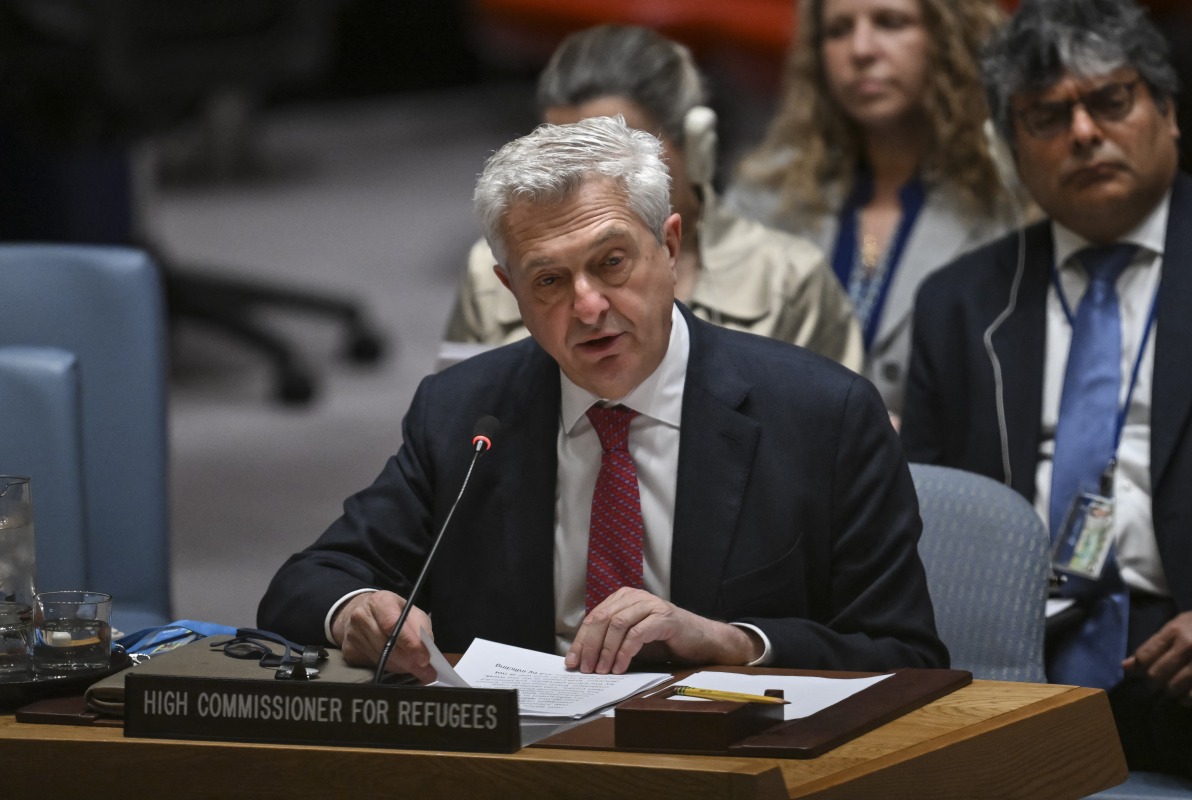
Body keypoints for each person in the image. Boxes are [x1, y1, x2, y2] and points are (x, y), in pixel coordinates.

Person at [259, 115, 946, 684]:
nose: (588, 307)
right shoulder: (466, 414)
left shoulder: (824, 416)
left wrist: (731, 643)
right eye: (550, 281)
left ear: (669, 247)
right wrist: (356, 609)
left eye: (611, 263)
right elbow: (306, 583)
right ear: (512, 290)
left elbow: (906, 658)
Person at [902, 0, 1192, 779]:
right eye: (1046, 117)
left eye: (1111, 102)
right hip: (1012, 660)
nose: (1084, 133)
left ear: (1167, 112)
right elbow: (918, 534)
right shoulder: (959, 304)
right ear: (1009, 148)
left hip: (1184, 645)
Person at [442, 24, 864, 372]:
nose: (585, 180)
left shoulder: (789, 278)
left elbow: (832, 448)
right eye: (564, 154)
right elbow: (459, 437)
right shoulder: (493, 272)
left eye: (617, 150)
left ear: (696, 145)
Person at [728, 0, 1019, 420]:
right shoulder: (763, 195)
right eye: (839, 30)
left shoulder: (1008, 201)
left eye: (890, 22)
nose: (861, 49)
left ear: (946, 36)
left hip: (932, 475)